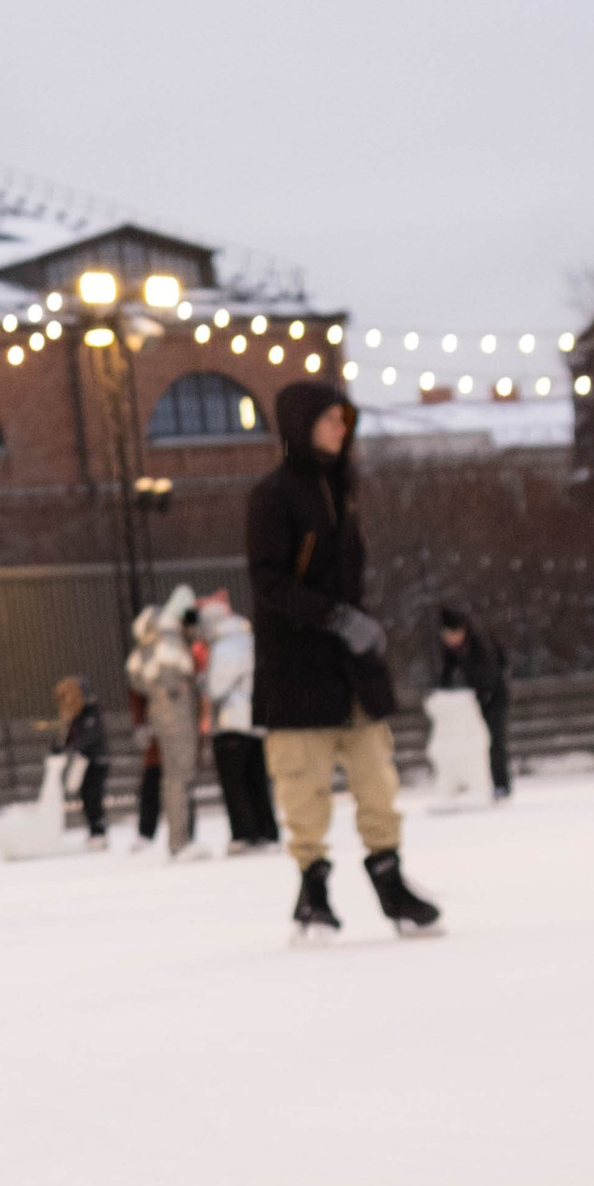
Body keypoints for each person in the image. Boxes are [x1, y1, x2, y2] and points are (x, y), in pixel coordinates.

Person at [247, 381, 442, 934]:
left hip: (351, 672)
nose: (341, 429)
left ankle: (391, 885)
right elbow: (267, 581)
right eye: (330, 419)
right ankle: (313, 896)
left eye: (345, 420)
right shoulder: (273, 496)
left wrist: (360, 626)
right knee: (302, 789)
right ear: (301, 424)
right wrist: (335, 618)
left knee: (377, 781)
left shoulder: (343, 488)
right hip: (297, 673)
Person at [194, 589, 278, 848]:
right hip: (255, 720)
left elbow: (216, 687)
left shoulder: (224, 647)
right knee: (257, 779)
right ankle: (267, 830)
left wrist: (201, 680)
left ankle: (244, 833)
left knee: (235, 783)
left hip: (231, 722)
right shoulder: (249, 639)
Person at [124, 590, 200, 855]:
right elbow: (188, 675)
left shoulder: (144, 652)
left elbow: (137, 686)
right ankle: (180, 841)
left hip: (160, 720)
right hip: (176, 720)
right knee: (178, 779)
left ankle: (180, 839)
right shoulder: (169, 646)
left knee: (170, 780)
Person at [436, 601, 513, 797]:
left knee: (495, 740)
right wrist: (442, 693)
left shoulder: (480, 641)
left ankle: (501, 785)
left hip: (496, 694)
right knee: (475, 742)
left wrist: (484, 693)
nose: (449, 640)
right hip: (477, 697)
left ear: (461, 630)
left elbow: (493, 670)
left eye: (451, 635)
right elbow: (447, 673)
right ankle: (476, 785)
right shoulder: (451, 648)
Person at [52, 674, 108, 841]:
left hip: (96, 760)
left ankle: (98, 831)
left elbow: (91, 735)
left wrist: (78, 746)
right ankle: (94, 830)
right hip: (82, 761)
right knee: (85, 795)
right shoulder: (74, 716)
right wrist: (57, 747)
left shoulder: (91, 711)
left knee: (94, 796)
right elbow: (66, 737)